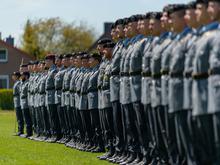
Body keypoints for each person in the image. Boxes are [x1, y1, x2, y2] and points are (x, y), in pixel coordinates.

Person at [20, 71, 32, 138]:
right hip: (23, 101)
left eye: (22, 75)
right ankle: (27, 132)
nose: (21, 77)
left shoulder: (27, 83)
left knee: (27, 118)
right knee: (25, 118)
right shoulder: (23, 83)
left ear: (26, 76)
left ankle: (29, 132)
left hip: (26, 101)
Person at [12, 71, 24, 136]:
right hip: (16, 101)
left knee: (20, 117)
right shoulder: (16, 83)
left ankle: (20, 130)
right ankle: (19, 130)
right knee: (18, 117)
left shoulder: (18, 83)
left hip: (19, 101)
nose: (12, 77)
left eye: (14, 75)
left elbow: (20, 92)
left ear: (17, 76)